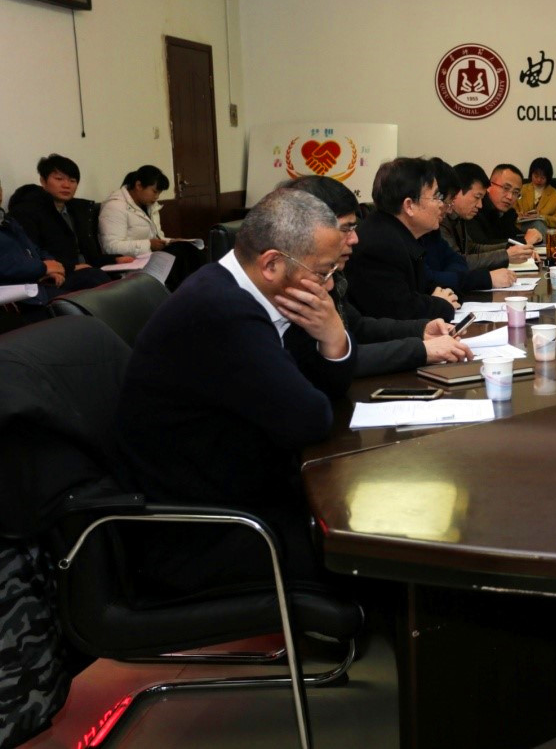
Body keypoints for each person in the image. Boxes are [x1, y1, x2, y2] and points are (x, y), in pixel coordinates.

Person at [115, 187, 355, 592]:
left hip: (242, 492)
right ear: (272, 264)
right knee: (367, 553)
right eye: (322, 272)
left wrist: (333, 338)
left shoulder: (256, 292)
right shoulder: (220, 310)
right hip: (206, 531)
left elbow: (324, 386)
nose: (328, 286)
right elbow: (310, 419)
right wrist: (329, 335)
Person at [285, 175, 472, 376]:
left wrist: (421, 330)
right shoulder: (294, 283)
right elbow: (325, 362)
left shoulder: (331, 274)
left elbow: (357, 326)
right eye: (346, 228)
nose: (355, 239)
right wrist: (422, 350)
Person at [343, 157, 460, 322]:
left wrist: (441, 298)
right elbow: (399, 310)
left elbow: (424, 288)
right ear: (409, 205)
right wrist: (440, 304)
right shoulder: (380, 244)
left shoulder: (399, 233)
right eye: (435, 197)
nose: (441, 205)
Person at [8, 154, 121, 288]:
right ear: (43, 181)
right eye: (59, 179)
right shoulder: (27, 212)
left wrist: (115, 259)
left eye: (72, 181)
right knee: (96, 279)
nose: (66, 185)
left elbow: (88, 255)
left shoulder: (78, 212)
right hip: (57, 276)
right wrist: (70, 267)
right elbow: (32, 254)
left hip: (88, 271)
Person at [98, 165, 205, 288]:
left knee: (188, 249)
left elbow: (157, 237)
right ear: (139, 186)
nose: (157, 197)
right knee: (180, 256)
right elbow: (111, 247)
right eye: (154, 191)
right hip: (130, 265)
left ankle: (199, 290)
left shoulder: (150, 206)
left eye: (159, 193)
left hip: (148, 257)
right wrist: (149, 244)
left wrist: (170, 241)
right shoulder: (115, 207)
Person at [426, 158, 515, 292]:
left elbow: (459, 258)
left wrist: (507, 249)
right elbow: (431, 278)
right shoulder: (438, 222)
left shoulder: (452, 219)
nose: (480, 205)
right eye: (477, 197)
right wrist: (489, 276)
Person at [441, 162, 536, 271]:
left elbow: (473, 248)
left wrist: (511, 248)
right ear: (456, 192)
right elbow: (456, 263)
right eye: (477, 197)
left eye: (516, 192)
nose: (480, 205)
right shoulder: (441, 219)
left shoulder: (459, 216)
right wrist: (506, 255)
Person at [0, 180, 72, 310]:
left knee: (85, 296)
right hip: (14, 298)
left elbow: (33, 248)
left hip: (36, 287)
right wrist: (43, 268)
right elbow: (5, 265)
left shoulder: (8, 221)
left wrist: (52, 266)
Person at [468, 164, 543, 247]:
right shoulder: (475, 208)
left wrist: (535, 238)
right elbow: (480, 246)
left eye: (515, 192)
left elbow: (513, 236)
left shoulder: (507, 214)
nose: (510, 197)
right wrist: (524, 241)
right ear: (489, 186)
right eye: (506, 188)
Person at [515, 157, 556, 237]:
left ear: (548, 177)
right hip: (522, 226)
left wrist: (542, 217)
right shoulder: (521, 189)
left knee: (538, 223)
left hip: (546, 228)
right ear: (531, 174)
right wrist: (520, 215)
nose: (538, 180)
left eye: (542, 177)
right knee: (537, 224)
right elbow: (512, 210)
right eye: (536, 176)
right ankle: (549, 244)